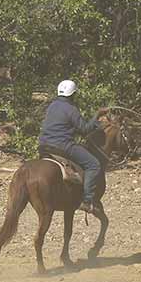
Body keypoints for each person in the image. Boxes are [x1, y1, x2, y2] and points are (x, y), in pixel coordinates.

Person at [38, 80, 108, 214]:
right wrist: (97, 115)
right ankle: (87, 201)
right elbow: (85, 129)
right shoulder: (71, 109)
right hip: (62, 146)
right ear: (72, 95)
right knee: (93, 164)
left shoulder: (52, 106)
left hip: (44, 146)